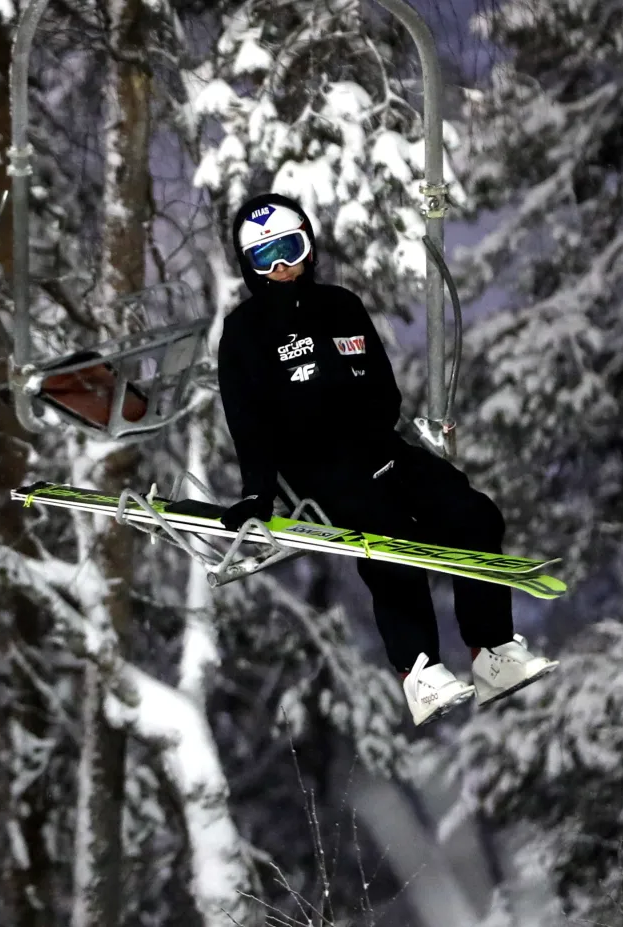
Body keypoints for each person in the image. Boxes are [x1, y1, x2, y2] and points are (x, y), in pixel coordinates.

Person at [216, 192, 559, 726]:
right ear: (249, 266)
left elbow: (382, 387)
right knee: (392, 536)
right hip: (315, 469)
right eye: (266, 257)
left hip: (380, 448)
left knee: (474, 513)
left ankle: (493, 654)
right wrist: (258, 492)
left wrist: (371, 427)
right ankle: (419, 670)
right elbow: (247, 421)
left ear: (309, 244)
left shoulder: (341, 304)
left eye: (289, 248)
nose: (282, 267)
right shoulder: (242, 333)